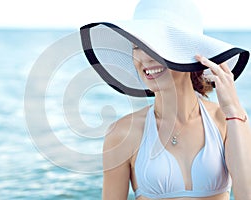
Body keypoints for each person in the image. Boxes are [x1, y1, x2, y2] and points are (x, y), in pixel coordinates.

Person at [80, 0, 251, 199]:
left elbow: (246, 193)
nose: (144, 57)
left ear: (190, 53)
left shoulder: (227, 121)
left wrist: (232, 110)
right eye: (137, 46)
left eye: (155, 45)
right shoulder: (123, 133)